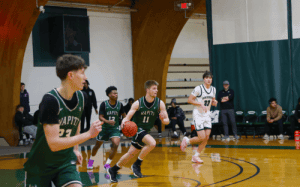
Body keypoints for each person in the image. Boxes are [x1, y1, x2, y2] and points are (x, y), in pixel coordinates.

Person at [23, 54, 103, 187]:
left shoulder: (81, 97)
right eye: (82, 73)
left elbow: (75, 123)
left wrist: (76, 149)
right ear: (71, 75)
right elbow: (53, 144)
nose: (86, 77)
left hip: (65, 162)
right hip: (41, 165)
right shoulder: (50, 101)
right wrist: (89, 134)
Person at [107, 80, 170, 183]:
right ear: (147, 90)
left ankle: (113, 169)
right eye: (154, 88)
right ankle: (137, 164)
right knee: (152, 143)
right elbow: (127, 117)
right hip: (136, 129)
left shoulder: (160, 103)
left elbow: (167, 121)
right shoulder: (138, 103)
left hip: (146, 131)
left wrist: (163, 120)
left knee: (130, 154)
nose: (156, 91)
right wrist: (123, 122)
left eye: (157, 89)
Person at [180, 71, 218, 163]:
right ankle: (187, 140)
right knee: (201, 137)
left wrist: (214, 102)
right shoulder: (199, 88)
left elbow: (212, 100)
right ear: (204, 79)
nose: (209, 80)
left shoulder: (213, 89)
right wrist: (200, 103)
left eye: (210, 78)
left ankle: (196, 156)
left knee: (207, 137)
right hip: (198, 115)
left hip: (207, 114)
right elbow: (189, 100)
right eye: (207, 78)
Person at [87, 86, 126, 170]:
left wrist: (126, 123)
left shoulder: (120, 104)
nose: (116, 94)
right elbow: (100, 117)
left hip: (114, 129)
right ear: (109, 95)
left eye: (117, 93)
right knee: (97, 146)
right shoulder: (104, 104)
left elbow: (124, 115)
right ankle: (91, 161)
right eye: (114, 93)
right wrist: (108, 121)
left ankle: (107, 164)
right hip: (104, 128)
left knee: (115, 144)